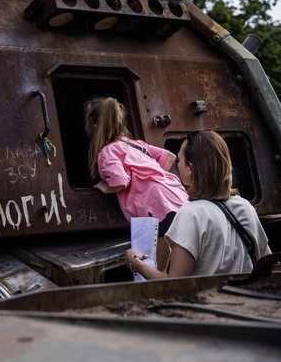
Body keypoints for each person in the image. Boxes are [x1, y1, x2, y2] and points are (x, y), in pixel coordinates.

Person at [125, 129, 272, 279]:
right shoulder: (246, 207)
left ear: (190, 168)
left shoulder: (190, 213)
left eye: (180, 160)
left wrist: (137, 264)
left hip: (209, 301)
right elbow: (266, 263)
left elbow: (176, 283)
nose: (178, 165)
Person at [85, 97, 189, 271]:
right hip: (178, 198)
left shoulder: (107, 152)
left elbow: (120, 181)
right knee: (181, 264)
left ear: (94, 126)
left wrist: (104, 186)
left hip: (159, 210)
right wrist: (151, 177)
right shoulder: (136, 144)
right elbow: (170, 156)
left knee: (156, 271)